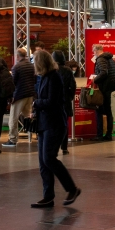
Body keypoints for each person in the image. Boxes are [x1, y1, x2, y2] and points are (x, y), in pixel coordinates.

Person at [30, 50, 81, 208]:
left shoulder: (54, 77)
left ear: (40, 63)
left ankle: (72, 189)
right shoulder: (44, 77)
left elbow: (52, 101)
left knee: (49, 158)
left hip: (54, 123)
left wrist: (36, 104)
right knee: (43, 162)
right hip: (44, 124)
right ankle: (48, 196)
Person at [4, 47, 36, 147]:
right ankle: (36, 134)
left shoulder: (16, 67)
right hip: (30, 94)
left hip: (19, 95)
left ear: (17, 56)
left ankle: (13, 139)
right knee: (29, 116)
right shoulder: (32, 66)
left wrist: (11, 96)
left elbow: (13, 83)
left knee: (13, 118)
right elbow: (34, 80)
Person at [90, 44, 115, 141]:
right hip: (109, 86)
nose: (93, 54)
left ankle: (100, 134)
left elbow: (103, 72)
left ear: (96, 50)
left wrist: (95, 80)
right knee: (108, 111)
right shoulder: (109, 58)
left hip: (104, 87)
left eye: (93, 51)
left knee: (99, 110)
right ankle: (108, 134)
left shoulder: (101, 59)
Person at [53, 50, 77, 155]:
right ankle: (64, 147)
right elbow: (73, 85)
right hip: (65, 100)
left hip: (53, 101)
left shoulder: (52, 70)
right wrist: (70, 96)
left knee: (53, 125)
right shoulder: (67, 70)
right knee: (64, 125)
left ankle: (54, 146)